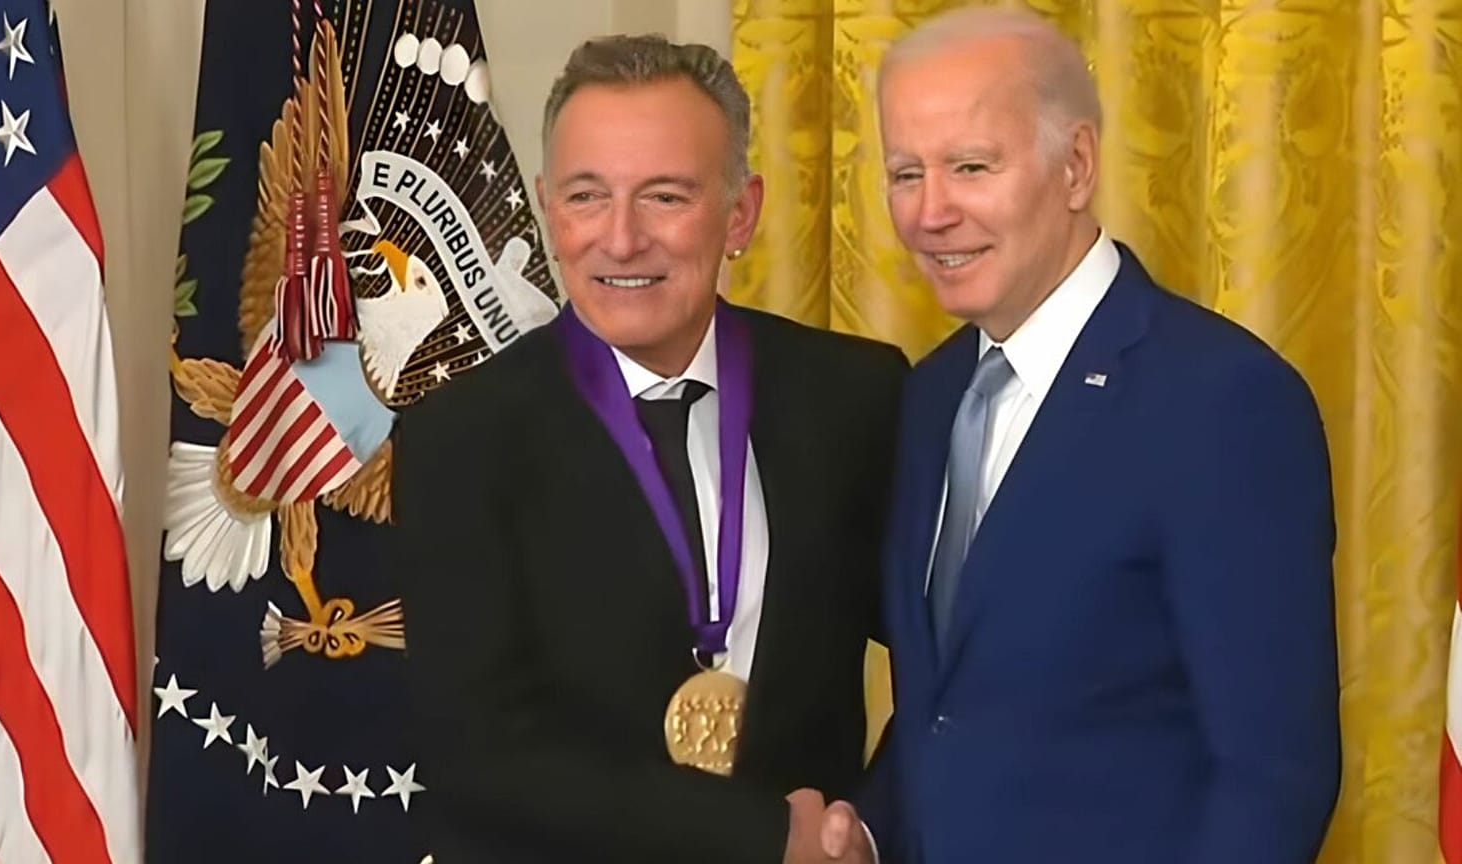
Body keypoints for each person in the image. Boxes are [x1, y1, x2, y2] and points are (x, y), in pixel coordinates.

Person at [827, 7, 1341, 863]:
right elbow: (948, 711)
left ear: (1075, 166)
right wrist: (869, 834)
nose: (930, 212)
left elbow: (1272, 778)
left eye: (970, 167)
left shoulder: (1223, 401)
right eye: (905, 172)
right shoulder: (930, 394)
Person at [393, 34, 903, 863]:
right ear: (546, 206)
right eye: (588, 196)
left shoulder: (853, 397)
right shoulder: (463, 434)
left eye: (665, 197)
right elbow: (483, 757)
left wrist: (866, 831)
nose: (621, 240)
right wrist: (767, 838)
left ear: (741, 213)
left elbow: (952, 665)